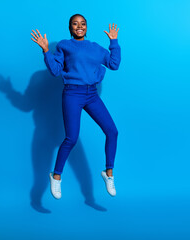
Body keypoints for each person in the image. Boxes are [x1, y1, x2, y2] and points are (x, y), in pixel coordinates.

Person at [30, 14, 121, 199]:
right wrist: (46, 50)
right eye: (75, 24)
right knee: (71, 138)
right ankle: (56, 177)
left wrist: (114, 42)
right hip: (72, 94)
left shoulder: (96, 48)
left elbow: (114, 64)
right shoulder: (65, 45)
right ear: (70, 28)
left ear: (86, 27)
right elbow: (55, 71)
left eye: (83, 23)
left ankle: (109, 173)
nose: (79, 26)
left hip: (92, 94)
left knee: (112, 131)